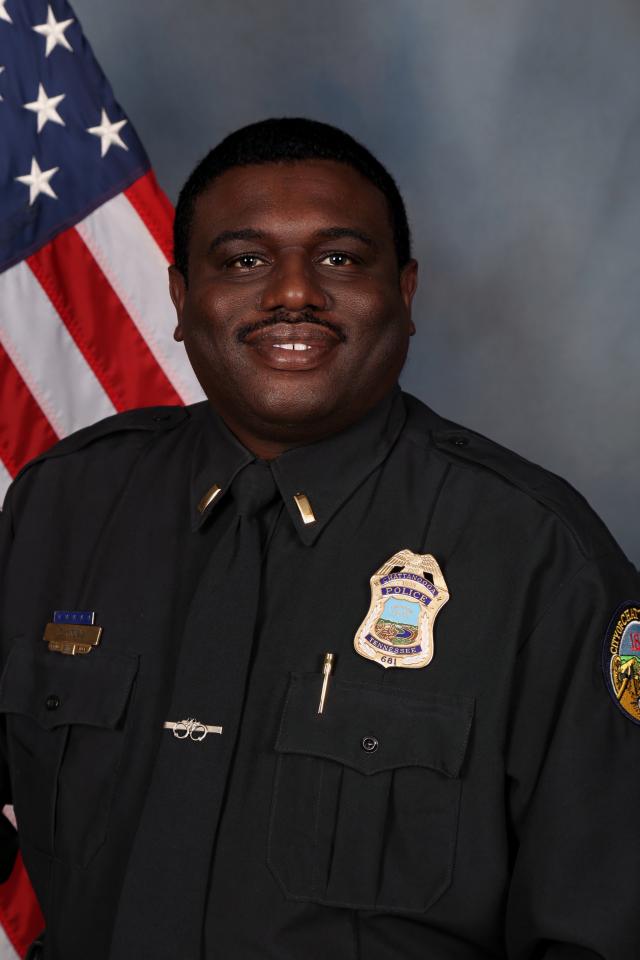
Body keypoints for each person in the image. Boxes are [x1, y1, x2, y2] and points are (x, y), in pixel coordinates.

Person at [0, 117, 638, 960]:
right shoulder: (63, 507)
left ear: (405, 295)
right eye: (243, 261)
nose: (293, 292)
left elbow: (600, 932)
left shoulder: (541, 559)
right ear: (182, 301)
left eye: (339, 258)